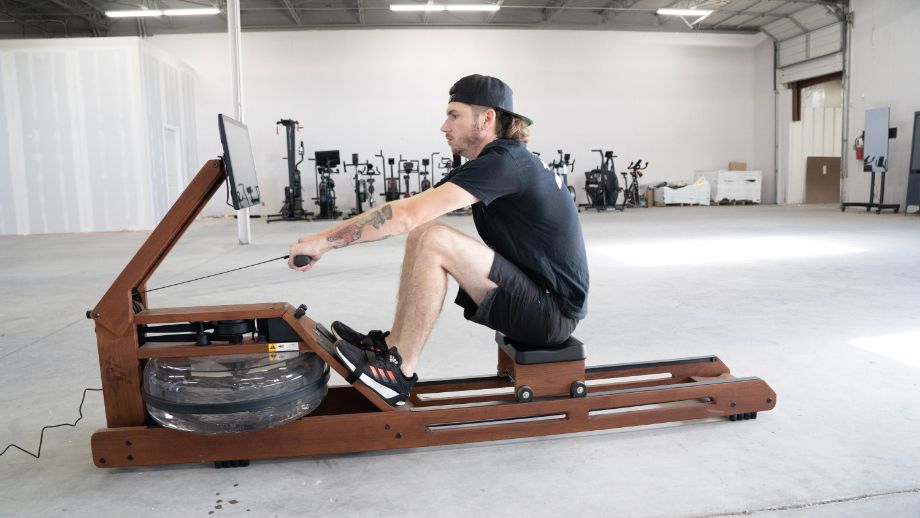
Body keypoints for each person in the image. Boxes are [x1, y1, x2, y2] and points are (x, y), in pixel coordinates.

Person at [288, 74, 589, 406]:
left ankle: (397, 371)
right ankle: (392, 347)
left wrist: (322, 243)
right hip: (536, 298)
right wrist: (320, 237)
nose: (444, 126)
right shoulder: (496, 161)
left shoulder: (506, 164)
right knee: (424, 231)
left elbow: (404, 216)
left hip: (551, 313)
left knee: (434, 238)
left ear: (487, 118)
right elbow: (408, 210)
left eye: (454, 115)